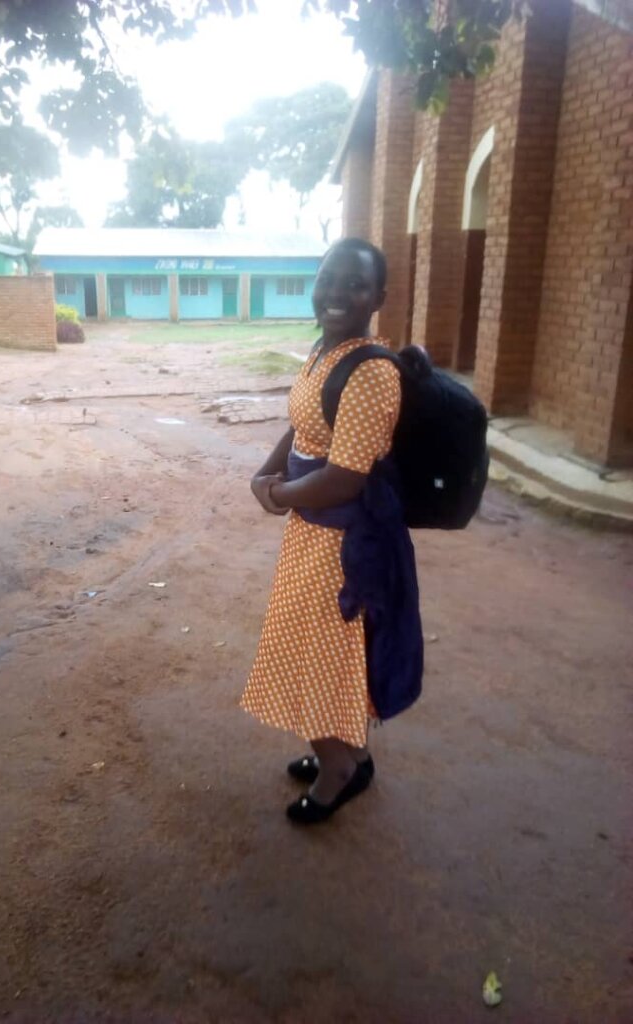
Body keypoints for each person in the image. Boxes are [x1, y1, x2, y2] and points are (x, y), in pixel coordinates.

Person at [241, 237, 423, 825]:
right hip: (311, 534)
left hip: (344, 546)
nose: (336, 293)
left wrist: (277, 495)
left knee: (315, 653)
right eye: (328, 279)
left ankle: (337, 769)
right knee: (329, 653)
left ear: (379, 298)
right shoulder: (326, 350)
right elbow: (303, 424)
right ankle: (352, 754)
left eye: (355, 284)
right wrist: (267, 472)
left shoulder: (371, 373)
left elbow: (344, 477)